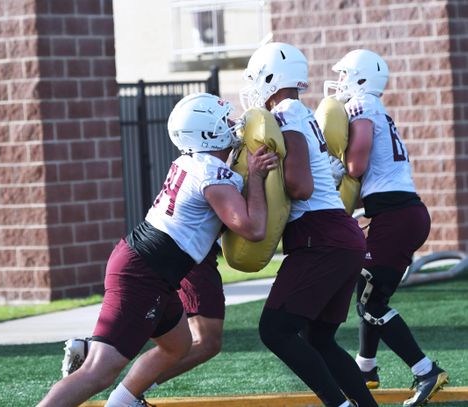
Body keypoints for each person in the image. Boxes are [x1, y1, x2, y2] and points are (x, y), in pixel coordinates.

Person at [36, 92, 278, 407]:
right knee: (98, 373)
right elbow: (253, 229)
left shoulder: (193, 162)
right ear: (207, 132)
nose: (231, 125)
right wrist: (257, 177)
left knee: (177, 345)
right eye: (223, 121)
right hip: (145, 273)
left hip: (150, 269)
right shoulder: (211, 172)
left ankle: (122, 402)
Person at [240, 42, 378, 407]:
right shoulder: (298, 112)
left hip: (321, 235)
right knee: (318, 338)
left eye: (257, 79)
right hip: (337, 234)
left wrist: (260, 177)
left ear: (271, 78)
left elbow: (301, 186)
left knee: (275, 330)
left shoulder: (285, 114)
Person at [324, 49, 449, 407]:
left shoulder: (363, 105)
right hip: (401, 213)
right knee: (369, 289)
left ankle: (426, 370)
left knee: (370, 302)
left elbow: (358, 162)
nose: (341, 83)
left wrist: (339, 164)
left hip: (397, 216)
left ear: (360, 79)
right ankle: (366, 368)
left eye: (346, 75)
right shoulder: (378, 109)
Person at [61, 242, 225, 407]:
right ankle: (126, 392)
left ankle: (121, 390)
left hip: (170, 250)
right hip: (183, 251)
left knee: (177, 345)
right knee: (205, 341)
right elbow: (247, 228)